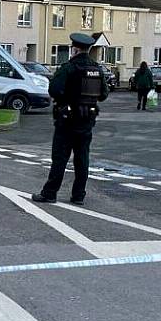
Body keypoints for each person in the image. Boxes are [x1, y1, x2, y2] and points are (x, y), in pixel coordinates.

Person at [32, 33, 109, 206]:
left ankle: (50, 193)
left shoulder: (68, 68)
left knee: (60, 158)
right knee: (82, 158)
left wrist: (67, 97)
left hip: (67, 119)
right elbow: (103, 94)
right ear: (88, 49)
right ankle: (78, 195)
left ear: (74, 49)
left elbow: (54, 90)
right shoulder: (97, 69)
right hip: (87, 120)